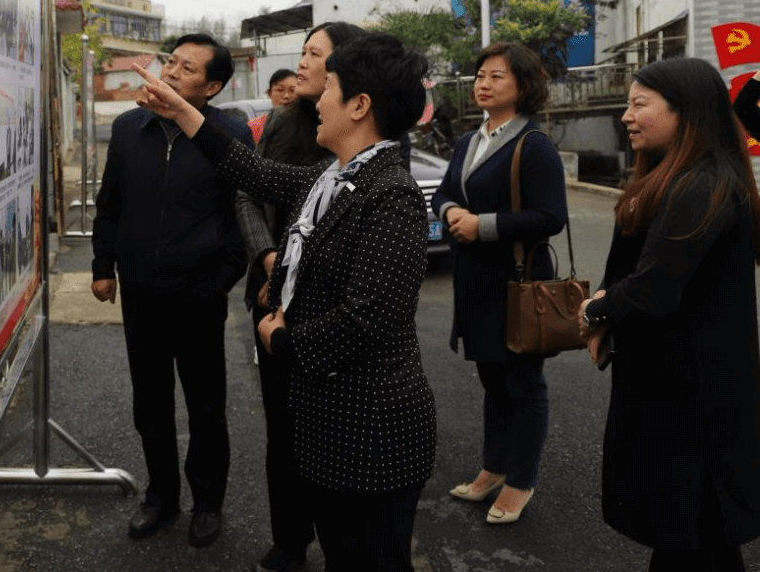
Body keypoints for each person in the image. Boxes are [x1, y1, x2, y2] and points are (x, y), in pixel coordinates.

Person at [134, 32, 437, 572]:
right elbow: (252, 173)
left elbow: (366, 319)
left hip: (369, 437)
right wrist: (184, 113)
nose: (314, 97)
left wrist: (283, 339)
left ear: (360, 106)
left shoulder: (390, 195)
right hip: (334, 427)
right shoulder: (338, 176)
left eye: (331, 88)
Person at [580, 57, 760, 571]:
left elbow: (655, 288)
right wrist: (608, 316)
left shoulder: (703, 184)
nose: (626, 116)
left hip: (692, 405)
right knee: (698, 539)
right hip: (680, 395)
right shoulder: (682, 177)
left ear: (687, 113)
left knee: (696, 532)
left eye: (639, 104)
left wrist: (598, 311)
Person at [91, 32, 252, 547]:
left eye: (187, 69)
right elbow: (109, 203)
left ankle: (208, 502)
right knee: (150, 403)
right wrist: (103, 266)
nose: (172, 72)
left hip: (199, 295)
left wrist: (219, 282)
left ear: (213, 86)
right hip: (142, 294)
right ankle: (160, 496)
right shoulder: (127, 129)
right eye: (172, 62)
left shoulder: (229, 135)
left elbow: (242, 218)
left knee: (206, 405)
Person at [234, 21, 364, 572]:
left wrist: (289, 268)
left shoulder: (361, 138)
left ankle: (342, 541)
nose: (303, 62)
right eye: (303, 51)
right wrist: (268, 259)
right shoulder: (280, 126)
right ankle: (289, 539)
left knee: (332, 432)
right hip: (271, 296)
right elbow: (247, 194)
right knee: (282, 430)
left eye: (316, 53)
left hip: (324, 306)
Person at [430, 41, 567, 525]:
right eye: (480, 75)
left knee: (523, 382)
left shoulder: (535, 145)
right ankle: (493, 467)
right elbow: (445, 192)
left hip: (517, 281)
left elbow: (551, 216)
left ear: (523, 86)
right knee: (491, 377)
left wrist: (482, 225)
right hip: (476, 281)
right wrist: (450, 212)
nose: (482, 84)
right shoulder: (470, 141)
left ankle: (521, 480)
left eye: (496, 76)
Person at [249, 68, 298, 143]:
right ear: (269, 93)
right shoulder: (254, 126)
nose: (286, 96)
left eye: (292, 90)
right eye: (280, 90)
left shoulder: (309, 126)